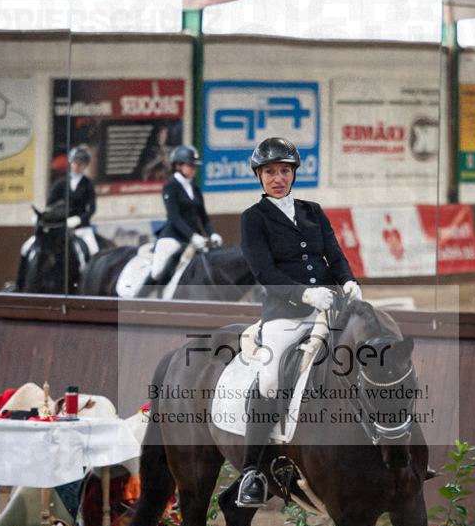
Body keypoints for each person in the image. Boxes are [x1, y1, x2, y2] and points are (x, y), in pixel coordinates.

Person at [236, 136, 362, 507]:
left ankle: (391, 448)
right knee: (271, 380)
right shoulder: (253, 218)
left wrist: (348, 281)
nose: (278, 178)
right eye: (270, 172)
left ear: (294, 173)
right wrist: (304, 295)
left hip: (330, 308)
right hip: (285, 315)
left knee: (369, 357)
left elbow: (334, 255)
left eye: (284, 171)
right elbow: (264, 271)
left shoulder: (313, 211)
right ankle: (252, 472)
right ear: (259, 176)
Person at [150, 145, 223, 282]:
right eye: (190, 165)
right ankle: (145, 294)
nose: (194, 169)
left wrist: (212, 233)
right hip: (173, 237)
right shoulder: (170, 187)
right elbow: (174, 217)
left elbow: (203, 217)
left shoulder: (195, 189)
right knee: (157, 272)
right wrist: (192, 236)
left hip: (196, 240)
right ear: (178, 166)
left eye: (195, 166)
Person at [46, 145, 99, 254]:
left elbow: (92, 208)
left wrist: (79, 219)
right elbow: (49, 204)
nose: (76, 167)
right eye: (74, 163)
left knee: (94, 250)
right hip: (61, 227)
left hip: (81, 228)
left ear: (85, 165)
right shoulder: (60, 183)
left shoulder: (88, 184)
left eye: (80, 164)